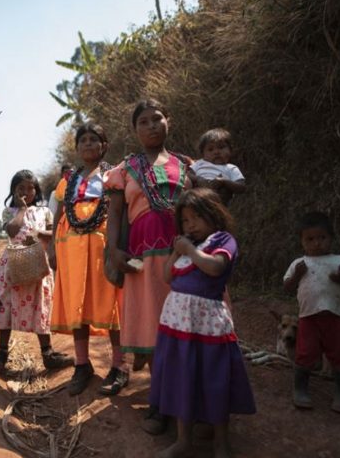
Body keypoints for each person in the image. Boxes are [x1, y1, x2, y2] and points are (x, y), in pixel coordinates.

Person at [149, 189, 256, 458]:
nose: (191, 225)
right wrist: (176, 252)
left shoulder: (223, 239)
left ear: (214, 215)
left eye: (197, 217)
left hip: (208, 323)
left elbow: (216, 268)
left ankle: (221, 442)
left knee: (213, 377)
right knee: (182, 375)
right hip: (178, 323)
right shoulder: (185, 244)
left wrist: (191, 251)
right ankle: (183, 441)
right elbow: (167, 277)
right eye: (185, 220)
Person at [105, 100, 191, 363]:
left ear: (168, 121)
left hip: (183, 250)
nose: (151, 126)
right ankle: (160, 393)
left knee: (186, 315)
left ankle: (188, 389)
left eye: (157, 119)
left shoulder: (187, 164)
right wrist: (113, 251)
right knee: (151, 317)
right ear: (135, 130)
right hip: (142, 254)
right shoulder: (124, 169)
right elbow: (116, 213)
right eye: (143, 122)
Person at [48, 123, 126, 396]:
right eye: (84, 140)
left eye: (95, 139)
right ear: (77, 147)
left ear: (104, 145)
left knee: (112, 302)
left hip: (103, 243)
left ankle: (119, 365)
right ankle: (82, 365)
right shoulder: (68, 179)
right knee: (77, 301)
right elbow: (59, 213)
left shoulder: (115, 174)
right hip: (70, 247)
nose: (89, 144)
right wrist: (51, 250)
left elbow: (120, 210)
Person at [0, 170, 74, 372]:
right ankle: (2, 354)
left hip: (38, 265)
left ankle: (48, 353)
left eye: (30, 188)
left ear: (36, 191)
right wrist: (21, 210)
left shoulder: (44, 211)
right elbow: (11, 231)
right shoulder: (8, 211)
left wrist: (36, 235)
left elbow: (52, 233)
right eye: (21, 189)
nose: (26, 192)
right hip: (12, 265)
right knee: (6, 306)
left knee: (41, 306)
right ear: (13, 191)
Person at [283, 211, 340, 414]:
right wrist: (298, 275)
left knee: (339, 355)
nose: (317, 243)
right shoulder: (299, 264)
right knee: (305, 353)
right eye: (310, 239)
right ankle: (300, 389)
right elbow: (287, 286)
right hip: (308, 318)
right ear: (302, 241)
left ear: (331, 238)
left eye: (322, 238)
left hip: (335, 317)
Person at [190, 128, 245, 205]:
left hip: (219, 201)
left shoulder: (231, 168)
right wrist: (198, 179)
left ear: (230, 150)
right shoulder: (199, 163)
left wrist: (224, 181)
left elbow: (241, 187)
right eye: (210, 149)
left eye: (221, 147)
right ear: (203, 154)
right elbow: (188, 175)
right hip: (198, 197)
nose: (216, 152)